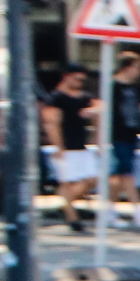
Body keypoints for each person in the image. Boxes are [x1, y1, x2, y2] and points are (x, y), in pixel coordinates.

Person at [41, 67, 96, 231]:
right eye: (77, 79)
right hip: (64, 146)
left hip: (81, 145)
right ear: (66, 77)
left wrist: (93, 111)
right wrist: (58, 146)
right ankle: (73, 219)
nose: (80, 83)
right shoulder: (55, 98)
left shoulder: (85, 98)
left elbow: (101, 106)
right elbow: (51, 123)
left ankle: (66, 205)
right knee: (66, 182)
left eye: (82, 80)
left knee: (91, 179)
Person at [104, 51, 140, 227]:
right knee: (127, 174)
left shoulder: (136, 87)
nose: (139, 72)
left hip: (132, 135)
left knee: (118, 176)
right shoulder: (111, 87)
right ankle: (138, 212)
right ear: (127, 67)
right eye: (137, 67)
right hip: (117, 135)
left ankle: (109, 211)